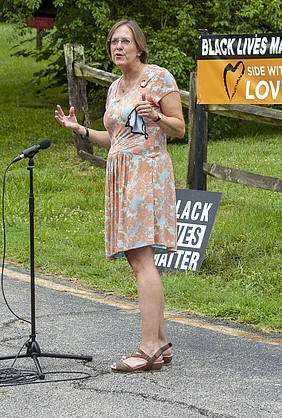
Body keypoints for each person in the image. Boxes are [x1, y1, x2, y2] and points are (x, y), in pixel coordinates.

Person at [55, 20, 185, 373]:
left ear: (139, 46)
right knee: (137, 259)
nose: (118, 47)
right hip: (121, 174)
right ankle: (161, 342)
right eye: (113, 42)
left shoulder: (158, 77)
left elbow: (180, 127)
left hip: (147, 172)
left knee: (141, 257)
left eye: (125, 41)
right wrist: (80, 129)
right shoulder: (115, 87)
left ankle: (149, 347)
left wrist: (156, 115)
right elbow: (116, 138)